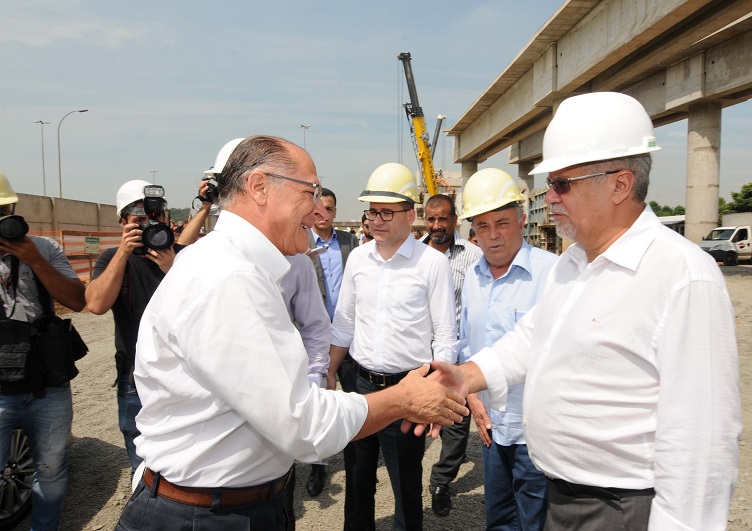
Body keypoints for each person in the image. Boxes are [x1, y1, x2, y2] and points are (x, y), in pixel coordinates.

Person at [423, 92, 741, 531]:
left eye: (562, 184)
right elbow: (533, 337)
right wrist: (464, 376)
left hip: (623, 506)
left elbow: (702, 446)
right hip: (563, 492)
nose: (548, 197)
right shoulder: (574, 263)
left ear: (619, 184)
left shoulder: (682, 276)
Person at [113, 136, 467, 530]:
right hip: (206, 515)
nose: (319, 210)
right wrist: (402, 399)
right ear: (260, 187)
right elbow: (304, 423)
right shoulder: (229, 278)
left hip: (228, 504)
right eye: (310, 192)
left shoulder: (233, 265)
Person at [327, 163, 458, 530]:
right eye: (372, 211)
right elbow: (344, 322)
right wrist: (331, 370)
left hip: (409, 390)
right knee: (357, 478)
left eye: (387, 211)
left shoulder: (431, 264)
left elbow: (445, 335)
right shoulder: (358, 258)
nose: (377, 220)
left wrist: (437, 394)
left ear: (410, 215)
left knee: (405, 486)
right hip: (360, 387)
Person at [458, 169, 558, 529]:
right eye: (482, 226)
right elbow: (466, 345)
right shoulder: (473, 278)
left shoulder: (553, 275)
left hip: (536, 432)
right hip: (490, 429)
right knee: (498, 519)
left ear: (520, 219)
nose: (493, 235)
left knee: (537, 521)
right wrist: (472, 398)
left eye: (501, 222)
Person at [86, 179, 205, 473]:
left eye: (155, 218)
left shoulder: (183, 257)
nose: (149, 226)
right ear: (123, 224)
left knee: (186, 450)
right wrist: (124, 253)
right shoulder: (112, 259)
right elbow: (96, 304)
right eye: (139, 221)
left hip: (184, 373)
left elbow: (204, 309)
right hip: (134, 377)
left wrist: (171, 268)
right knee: (141, 459)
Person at [0, 171, 86, 530]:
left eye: (4, 210)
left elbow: (77, 301)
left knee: (51, 467)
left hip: (45, 383)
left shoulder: (45, 248)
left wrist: (35, 260)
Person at [419, 193, 483, 517]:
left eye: (443, 219)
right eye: (431, 219)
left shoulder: (473, 257)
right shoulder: (413, 255)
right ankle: (406, 480)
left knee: (457, 424)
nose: (437, 226)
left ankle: (441, 481)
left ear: (455, 220)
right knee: (417, 421)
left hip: (457, 356)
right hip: (420, 359)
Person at [305, 187, 359, 495]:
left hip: (349, 337)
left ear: (335, 212)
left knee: (353, 400)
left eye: (329, 208)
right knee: (320, 404)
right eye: (319, 208)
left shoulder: (351, 242)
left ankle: (358, 462)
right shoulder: (301, 242)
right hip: (315, 337)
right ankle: (318, 466)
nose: (323, 213)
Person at [278, 253, 332, 530]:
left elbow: (315, 326)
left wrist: (315, 378)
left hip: (281, 385)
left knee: (279, 485)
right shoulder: (207, 255)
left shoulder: (298, 263)